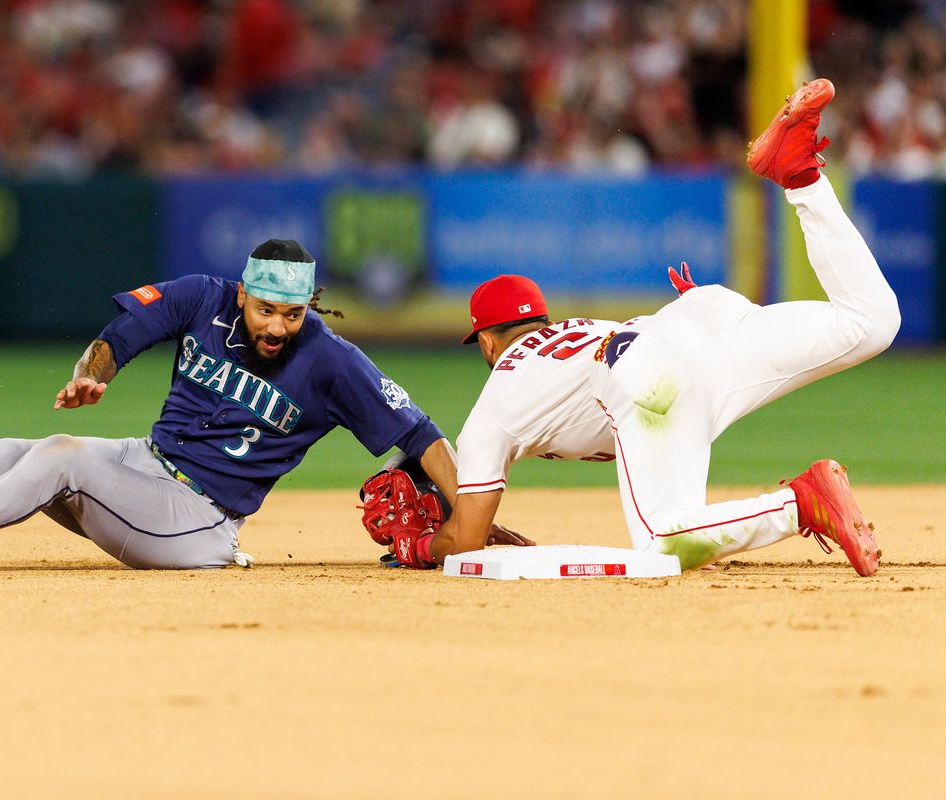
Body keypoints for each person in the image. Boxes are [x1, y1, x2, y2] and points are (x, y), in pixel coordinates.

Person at [385, 79, 901, 576]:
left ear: (488, 340)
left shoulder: (492, 408)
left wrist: (420, 543)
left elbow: (466, 542)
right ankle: (802, 178)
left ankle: (801, 504)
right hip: (697, 321)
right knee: (871, 322)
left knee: (663, 543)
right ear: (541, 321)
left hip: (652, 374)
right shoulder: (575, 331)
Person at [0, 239, 480, 571]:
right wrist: (94, 372)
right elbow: (122, 334)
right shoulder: (202, 296)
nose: (277, 326)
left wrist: (473, 517)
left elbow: (419, 433)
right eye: (266, 309)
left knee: (59, 456)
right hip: (144, 471)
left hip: (198, 522)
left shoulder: (330, 360)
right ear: (243, 294)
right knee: (1, 453)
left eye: (292, 315)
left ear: (308, 307)